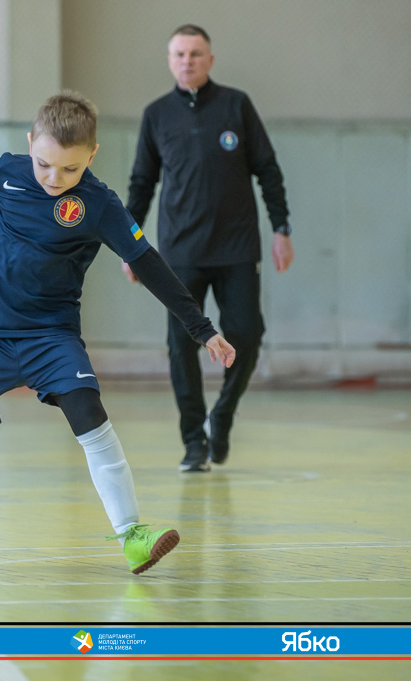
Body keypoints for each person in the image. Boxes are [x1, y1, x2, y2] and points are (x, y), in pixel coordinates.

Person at [0, 91, 235, 575]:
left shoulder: (100, 204)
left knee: (91, 417)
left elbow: (149, 264)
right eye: (44, 164)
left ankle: (132, 536)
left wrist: (202, 329)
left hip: (52, 338)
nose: (54, 178)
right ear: (30, 143)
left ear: (92, 156)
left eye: (69, 169)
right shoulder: (6, 173)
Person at [125, 24, 293, 472]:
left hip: (237, 247)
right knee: (181, 347)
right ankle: (193, 442)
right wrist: (129, 246)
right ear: (169, 60)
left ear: (210, 59)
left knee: (248, 335)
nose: (188, 61)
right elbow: (141, 183)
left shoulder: (237, 105)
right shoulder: (156, 115)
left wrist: (281, 227)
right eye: (180, 54)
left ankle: (222, 415)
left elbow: (268, 169)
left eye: (196, 53)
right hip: (179, 253)